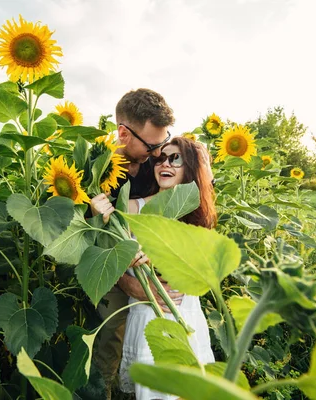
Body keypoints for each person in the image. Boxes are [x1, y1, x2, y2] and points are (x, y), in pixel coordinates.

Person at [93, 137, 217, 399]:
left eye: (176, 158)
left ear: (192, 168)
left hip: (186, 313)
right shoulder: (131, 208)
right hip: (149, 314)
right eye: (161, 157)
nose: (165, 163)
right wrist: (97, 212)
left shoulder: (195, 215)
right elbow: (104, 248)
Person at [92, 88, 183, 399]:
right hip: (111, 269)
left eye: (163, 141)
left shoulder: (154, 163)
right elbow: (91, 244)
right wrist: (130, 286)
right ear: (123, 133)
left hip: (155, 265)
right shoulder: (96, 168)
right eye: (152, 145)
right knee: (111, 338)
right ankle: (105, 391)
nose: (159, 152)